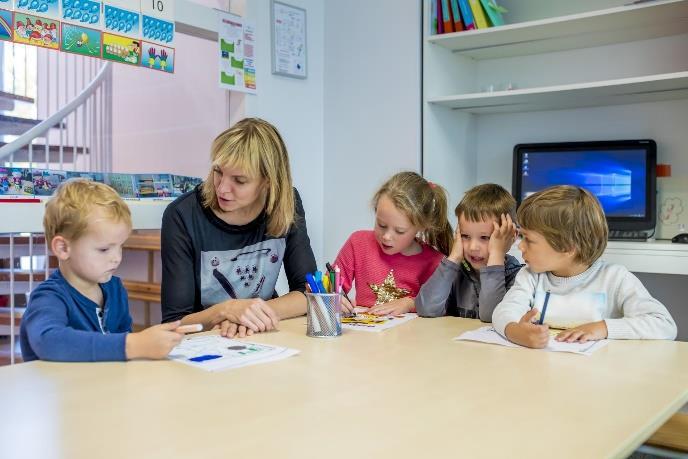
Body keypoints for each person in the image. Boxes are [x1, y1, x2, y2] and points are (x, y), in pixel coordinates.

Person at [161, 118, 317, 338]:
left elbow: (309, 291)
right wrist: (226, 311)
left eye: (239, 180)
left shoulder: (287, 202)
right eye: (218, 171)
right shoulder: (182, 215)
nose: (222, 188)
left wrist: (251, 315)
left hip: (260, 333)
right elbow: (174, 322)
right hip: (205, 343)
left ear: (268, 182)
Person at [20, 179, 185, 362]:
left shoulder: (115, 289)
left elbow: (122, 351)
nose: (117, 258)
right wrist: (133, 344)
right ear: (63, 248)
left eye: (120, 246)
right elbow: (48, 342)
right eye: (104, 249)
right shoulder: (48, 297)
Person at [492, 185, 677, 348]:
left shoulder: (615, 278)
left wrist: (602, 328)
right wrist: (515, 331)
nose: (520, 245)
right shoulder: (530, 276)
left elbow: (664, 325)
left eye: (528, 239)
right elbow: (504, 311)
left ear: (567, 247)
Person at [334, 171, 451, 316]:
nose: (387, 237)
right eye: (381, 225)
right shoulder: (358, 243)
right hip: (362, 335)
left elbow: (438, 306)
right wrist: (333, 298)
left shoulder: (433, 261)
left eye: (400, 231)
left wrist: (410, 303)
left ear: (422, 227)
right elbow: (329, 286)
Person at [416, 183, 522, 321]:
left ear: (511, 237)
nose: (473, 247)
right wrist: (453, 258)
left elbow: (490, 316)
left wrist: (496, 255)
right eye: (465, 236)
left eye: (485, 237)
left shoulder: (519, 278)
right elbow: (426, 309)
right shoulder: (456, 272)